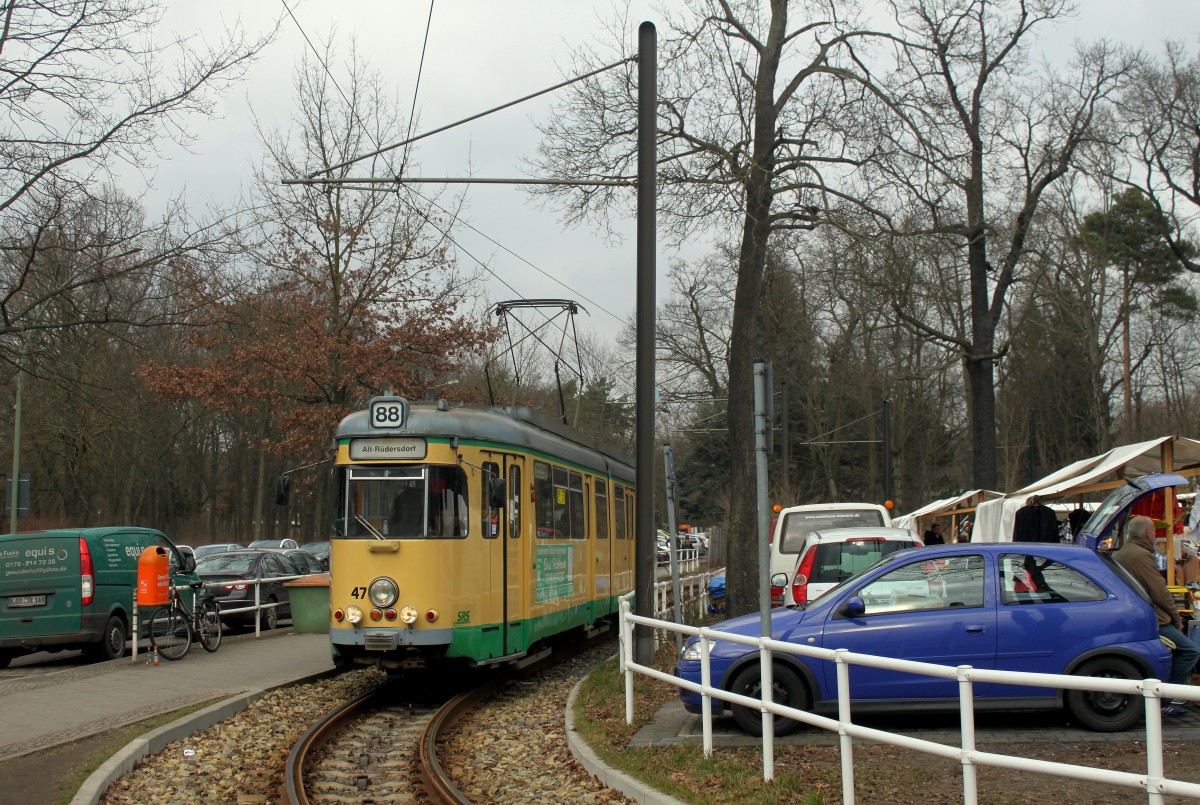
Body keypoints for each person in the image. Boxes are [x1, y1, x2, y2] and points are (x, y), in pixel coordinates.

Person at [1113, 515, 1200, 717]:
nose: (1154, 535)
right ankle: (1169, 697)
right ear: (1148, 534)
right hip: (1154, 619)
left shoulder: (1123, 552)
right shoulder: (1141, 556)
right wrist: (1176, 618)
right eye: (1153, 531)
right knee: (1190, 650)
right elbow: (1159, 591)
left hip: (1136, 615)